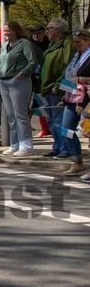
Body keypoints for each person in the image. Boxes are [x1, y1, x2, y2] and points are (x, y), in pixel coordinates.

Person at [0, 21, 39, 157]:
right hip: (4, 81)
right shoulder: (5, 45)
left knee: (21, 115)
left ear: (15, 30)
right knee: (10, 115)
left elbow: (33, 62)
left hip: (19, 82)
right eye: (4, 30)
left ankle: (26, 145)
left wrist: (22, 73)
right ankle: (14, 145)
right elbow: (3, 62)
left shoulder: (24, 43)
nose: (6, 32)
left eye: (8, 30)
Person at [40, 19, 76, 158]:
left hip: (57, 88)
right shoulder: (53, 45)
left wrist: (58, 85)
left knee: (60, 120)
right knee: (51, 120)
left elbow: (68, 66)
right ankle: (57, 146)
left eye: (49, 28)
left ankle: (66, 148)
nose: (47, 31)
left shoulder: (67, 43)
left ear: (58, 29)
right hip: (47, 87)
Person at [58, 29, 90, 177]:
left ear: (88, 40)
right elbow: (68, 76)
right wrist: (64, 97)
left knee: (87, 132)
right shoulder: (76, 56)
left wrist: (81, 80)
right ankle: (77, 161)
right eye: (75, 42)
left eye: (79, 42)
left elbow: (80, 78)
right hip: (72, 97)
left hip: (87, 97)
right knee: (66, 129)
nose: (76, 45)